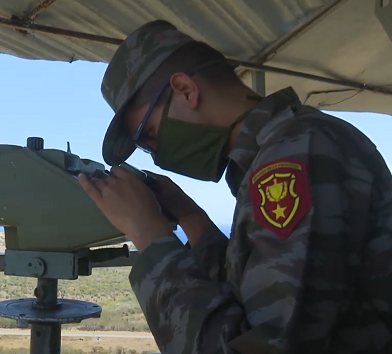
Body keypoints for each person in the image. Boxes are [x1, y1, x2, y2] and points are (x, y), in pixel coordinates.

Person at [78, 20, 392, 354]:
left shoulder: (297, 154)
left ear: (186, 90)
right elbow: (255, 296)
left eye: (149, 135)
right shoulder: (279, 151)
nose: (154, 155)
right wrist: (189, 216)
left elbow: (262, 345)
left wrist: (149, 236)